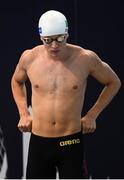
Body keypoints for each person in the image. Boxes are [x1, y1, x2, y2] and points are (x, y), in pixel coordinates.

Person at [11, 10, 121, 179]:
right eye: (48, 40)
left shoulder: (85, 58)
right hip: (39, 142)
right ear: (41, 38)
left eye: (60, 38)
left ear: (67, 34)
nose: (54, 45)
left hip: (70, 141)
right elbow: (16, 81)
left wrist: (92, 115)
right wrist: (24, 114)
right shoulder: (29, 58)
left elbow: (114, 82)